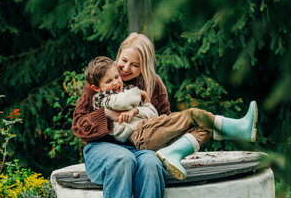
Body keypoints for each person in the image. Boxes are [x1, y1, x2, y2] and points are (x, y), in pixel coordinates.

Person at [72, 33, 258, 196]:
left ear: (144, 65)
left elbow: (163, 123)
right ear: (118, 54)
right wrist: (106, 114)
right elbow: (78, 125)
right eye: (124, 60)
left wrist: (138, 111)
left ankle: (175, 152)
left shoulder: (154, 84)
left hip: (141, 146)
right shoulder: (102, 77)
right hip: (103, 148)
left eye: (135, 65)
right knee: (123, 159)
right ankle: (235, 128)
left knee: (151, 163)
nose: (126, 68)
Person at [84, 56, 159, 143]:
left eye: (116, 77)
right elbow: (121, 102)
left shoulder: (129, 91)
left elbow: (153, 112)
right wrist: (138, 92)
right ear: (97, 88)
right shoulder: (101, 98)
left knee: (175, 121)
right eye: (109, 81)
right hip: (135, 134)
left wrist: (135, 110)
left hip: (150, 126)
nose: (116, 83)